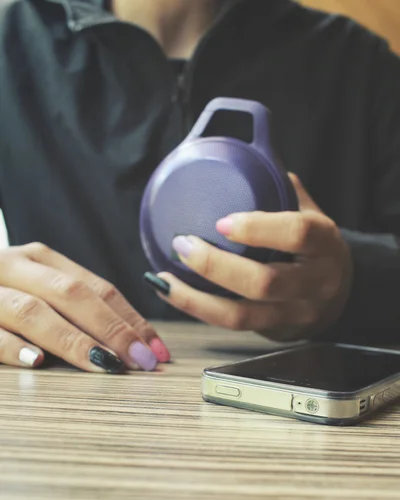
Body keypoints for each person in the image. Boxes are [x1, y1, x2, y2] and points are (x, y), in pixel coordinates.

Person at [0, 0, 399, 374]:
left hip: (300, 421)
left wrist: (353, 284)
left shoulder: (358, 65)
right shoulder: (10, 42)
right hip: (74, 411)